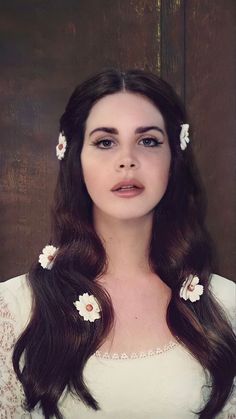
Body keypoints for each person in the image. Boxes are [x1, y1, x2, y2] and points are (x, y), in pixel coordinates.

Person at [0, 69, 235, 419]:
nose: (127, 160)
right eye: (105, 142)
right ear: (75, 157)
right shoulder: (13, 311)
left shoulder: (228, 308)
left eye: (149, 141)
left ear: (174, 158)